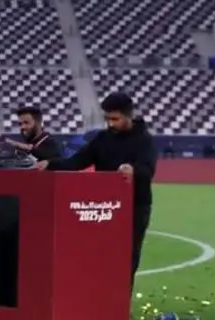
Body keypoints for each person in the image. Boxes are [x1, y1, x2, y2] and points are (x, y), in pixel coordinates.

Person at [37, 92, 157, 285]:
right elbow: (76, 161)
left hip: (135, 206)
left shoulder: (145, 141)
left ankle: (120, 305)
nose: (110, 124)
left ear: (129, 115)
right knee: (102, 256)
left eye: (115, 119)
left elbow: (148, 169)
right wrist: (50, 164)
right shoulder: (103, 139)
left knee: (127, 259)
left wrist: (133, 170)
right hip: (105, 205)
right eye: (107, 119)